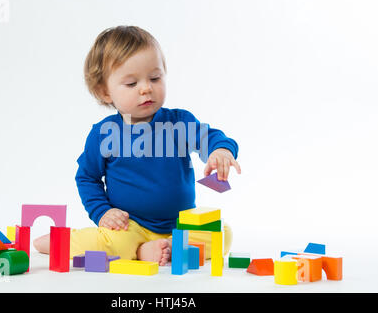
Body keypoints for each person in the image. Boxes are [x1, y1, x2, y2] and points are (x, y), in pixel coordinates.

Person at [34, 25, 241, 266]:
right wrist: (102, 212)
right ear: (105, 92)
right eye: (131, 84)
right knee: (111, 244)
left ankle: (169, 248)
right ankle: (67, 241)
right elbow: (87, 178)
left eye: (155, 78)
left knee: (223, 236)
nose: (146, 88)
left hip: (181, 225)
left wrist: (220, 151)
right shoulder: (103, 134)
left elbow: (210, 137)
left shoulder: (179, 122)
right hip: (129, 226)